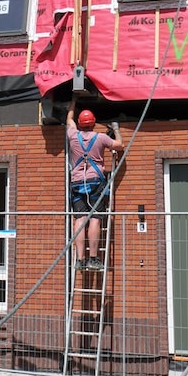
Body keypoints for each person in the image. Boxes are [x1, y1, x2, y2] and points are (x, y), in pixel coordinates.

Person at [66, 101, 123, 271]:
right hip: (96, 182)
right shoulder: (101, 138)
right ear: (93, 123)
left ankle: (80, 259)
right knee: (96, 219)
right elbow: (119, 145)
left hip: (77, 182)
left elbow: (69, 119)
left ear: (80, 123)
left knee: (80, 219)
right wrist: (116, 130)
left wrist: (73, 102)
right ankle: (93, 258)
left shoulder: (72, 135)